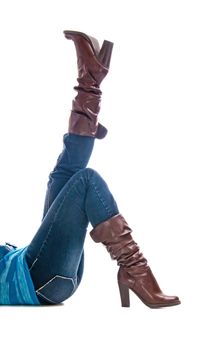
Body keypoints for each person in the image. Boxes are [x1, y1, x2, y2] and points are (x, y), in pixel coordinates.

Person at [0, 30, 180, 308]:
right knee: (86, 181)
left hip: (38, 267)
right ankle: (135, 271)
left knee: (63, 175)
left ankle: (91, 79)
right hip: (38, 280)